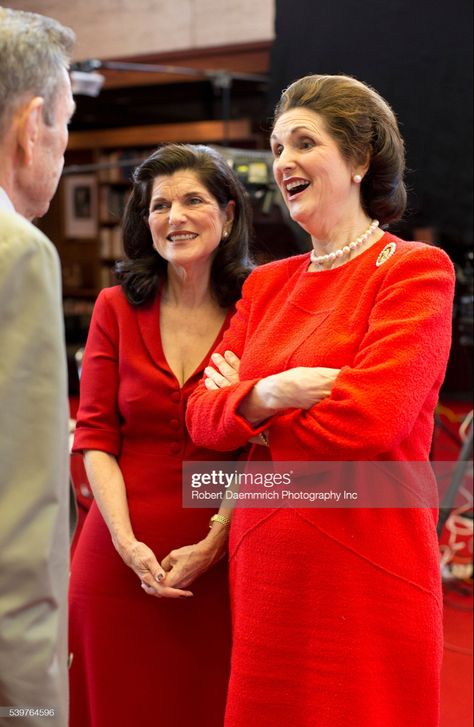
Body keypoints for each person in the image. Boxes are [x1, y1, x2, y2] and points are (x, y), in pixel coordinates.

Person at [187, 74, 456, 726]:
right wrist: (276, 390)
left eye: (304, 142)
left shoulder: (415, 270)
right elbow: (199, 417)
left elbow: (371, 419)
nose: (282, 162)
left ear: (361, 159)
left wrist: (245, 407)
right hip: (268, 569)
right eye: (277, 146)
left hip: (367, 566)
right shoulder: (266, 286)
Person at [69, 143, 253, 727]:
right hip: (115, 551)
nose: (174, 217)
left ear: (227, 215)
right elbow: (95, 436)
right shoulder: (114, 307)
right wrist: (123, 541)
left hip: (222, 552)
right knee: (110, 702)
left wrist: (215, 541)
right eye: (159, 205)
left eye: (193, 200)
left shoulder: (261, 307)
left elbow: (264, 446)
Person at [0, 9, 76, 726]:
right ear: (30, 127)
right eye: (65, 124)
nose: (63, 148)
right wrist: (32, 706)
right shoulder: (19, 252)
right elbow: (22, 524)